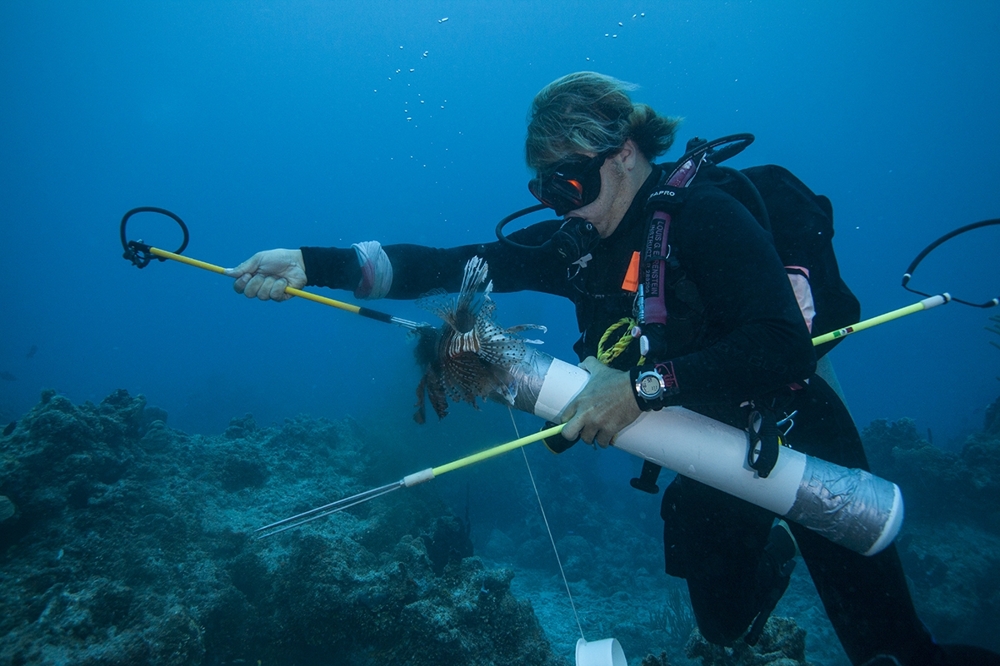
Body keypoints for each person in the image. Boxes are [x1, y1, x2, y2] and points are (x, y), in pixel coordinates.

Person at [226, 72, 999, 665]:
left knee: (895, 653)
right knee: (721, 626)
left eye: (569, 182)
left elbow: (780, 346)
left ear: (623, 154)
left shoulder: (704, 218)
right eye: (543, 188)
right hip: (703, 450)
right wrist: (309, 262)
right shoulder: (582, 247)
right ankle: (768, 559)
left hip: (793, 431)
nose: (558, 205)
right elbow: (456, 261)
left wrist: (640, 389)